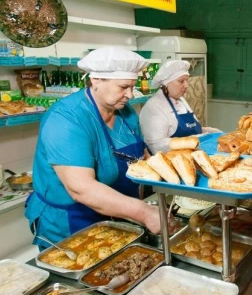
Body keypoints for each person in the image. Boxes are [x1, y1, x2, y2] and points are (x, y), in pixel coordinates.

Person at [25, 47, 161, 250]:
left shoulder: (125, 112)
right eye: (123, 86)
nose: (130, 95)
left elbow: (142, 160)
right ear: (96, 80)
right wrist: (144, 212)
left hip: (119, 212)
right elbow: (81, 189)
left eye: (132, 87)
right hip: (73, 219)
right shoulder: (66, 119)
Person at [140, 60, 220, 153]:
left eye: (187, 80)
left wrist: (210, 132)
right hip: (172, 161)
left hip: (193, 153)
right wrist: (188, 143)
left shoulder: (180, 99)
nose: (186, 85)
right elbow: (156, 146)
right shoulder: (154, 107)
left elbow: (191, 130)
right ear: (166, 83)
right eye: (181, 81)